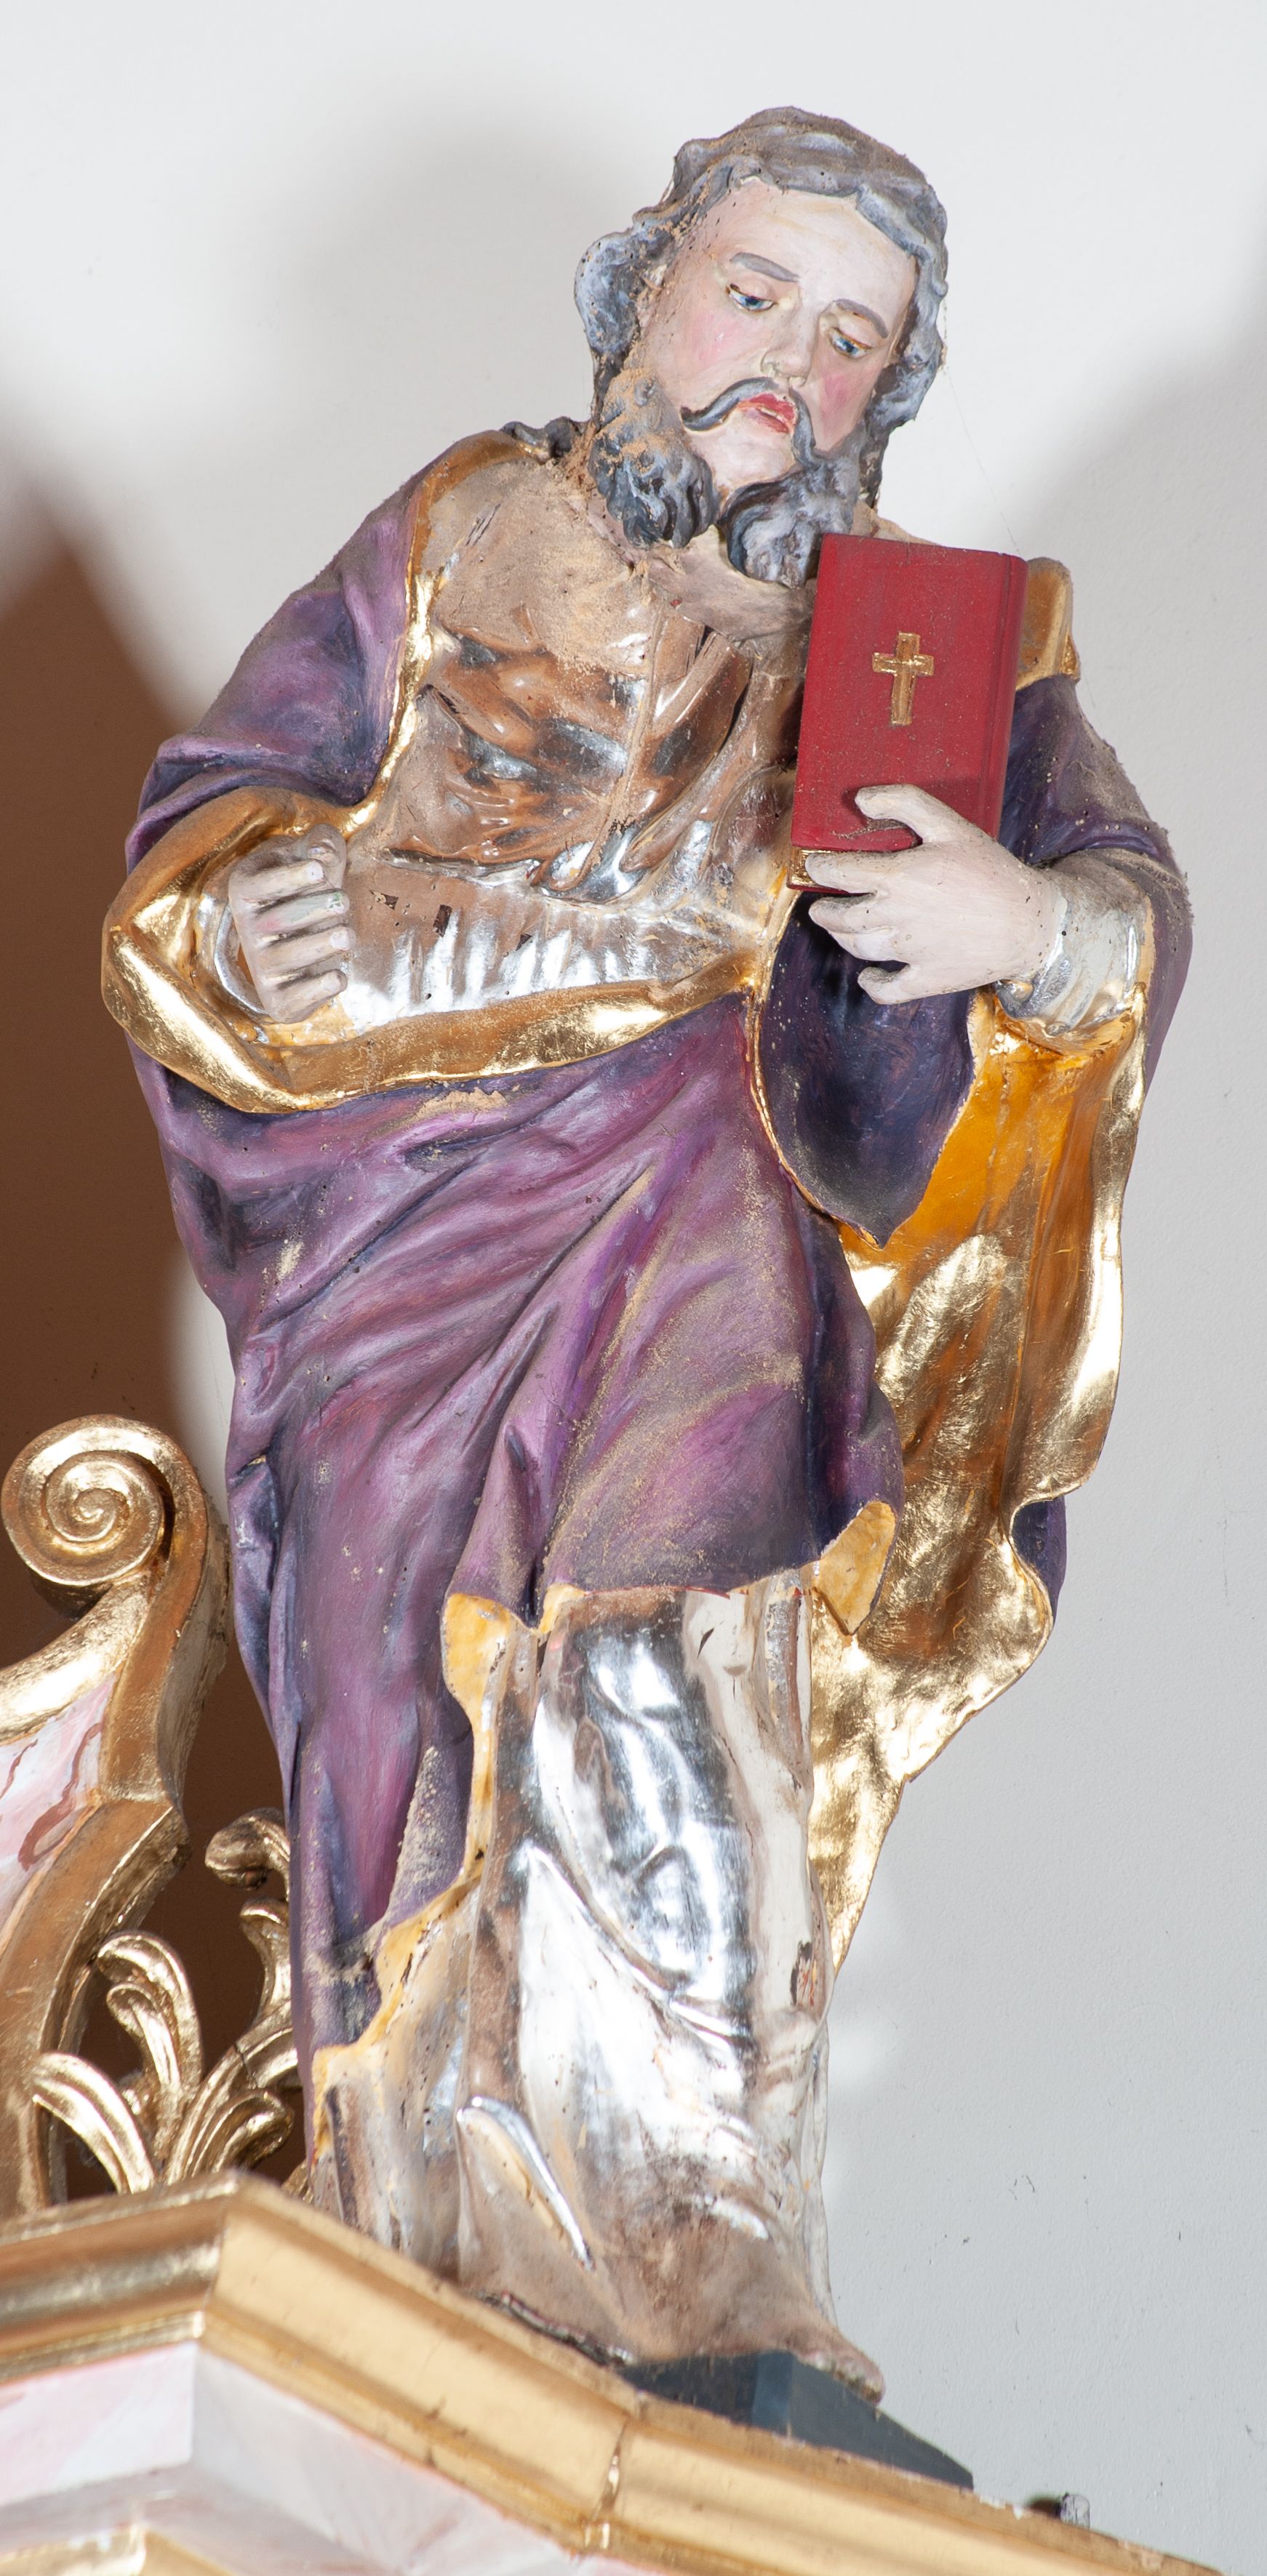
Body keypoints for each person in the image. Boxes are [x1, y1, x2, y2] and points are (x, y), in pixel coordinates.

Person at [105, 107, 1190, 2383]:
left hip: (710, 1197)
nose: (793, 362)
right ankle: (419, 2237)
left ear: (894, 388)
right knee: (406, 1722)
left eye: (855, 336)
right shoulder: (455, 528)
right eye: (755, 295)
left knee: (668, 1641)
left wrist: (1024, 921)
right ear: (641, 295)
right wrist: (242, 899)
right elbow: (223, 808)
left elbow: (1119, 900)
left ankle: (689, 2227)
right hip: (397, 1255)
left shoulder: (934, 650)